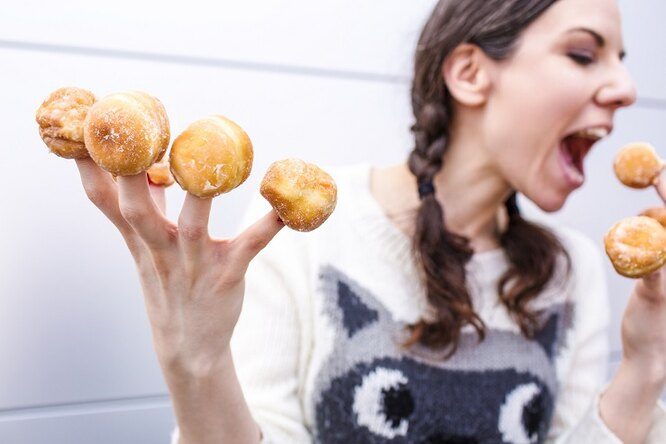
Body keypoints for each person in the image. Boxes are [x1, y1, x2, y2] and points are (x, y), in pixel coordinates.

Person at [73, 0, 666, 442]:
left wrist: (646, 364)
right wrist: (195, 364)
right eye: (583, 54)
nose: (626, 89)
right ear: (469, 73)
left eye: (621, 62)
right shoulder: (298, 230)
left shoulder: (572, 267)